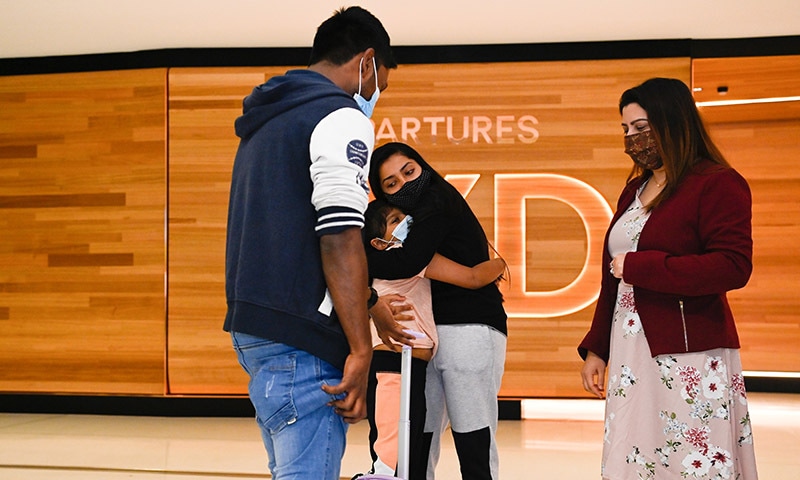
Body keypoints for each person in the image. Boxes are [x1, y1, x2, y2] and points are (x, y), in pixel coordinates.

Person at [223, 7, 397, 480]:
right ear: (366, 61)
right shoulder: (340, 116)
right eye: (380, 82)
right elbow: (339, 234)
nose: (376, 94)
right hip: (303, 336)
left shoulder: (268, 120)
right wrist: (361, 348)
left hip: (256, 328)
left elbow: (292, 231)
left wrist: (367, 300)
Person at [578, 77, 758, 479]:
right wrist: (597, 348)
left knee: (690, 454)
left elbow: (732, 265)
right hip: (631, 349)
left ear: (672, 121)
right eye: (626, 129)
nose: (632, 138)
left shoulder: (717, 182)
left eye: (641, 127)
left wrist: (641, 267)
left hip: (688, 350)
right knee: (637, 450)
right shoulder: (634, 189)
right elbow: (612, 279)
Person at [366, 142, 508, 480]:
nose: (405, 183)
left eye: (409, 171)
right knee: (416, 440)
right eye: (391, 183)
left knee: (471, 433)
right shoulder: (402, 236)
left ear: (423, 167)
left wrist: (355, 262)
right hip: (423, 343)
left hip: (468, 328)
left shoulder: (436, 202)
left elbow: (417, 263)